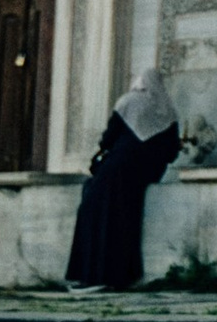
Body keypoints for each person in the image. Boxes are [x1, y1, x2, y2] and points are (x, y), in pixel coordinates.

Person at [65, 68, 182, 289]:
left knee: (93, 211)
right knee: (126, 220)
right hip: (147, 173)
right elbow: (172, 151)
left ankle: (93, 276)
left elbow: (108, 138)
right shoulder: (168, 110)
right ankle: (122, 277)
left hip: (117, 171)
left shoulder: (129, 102)